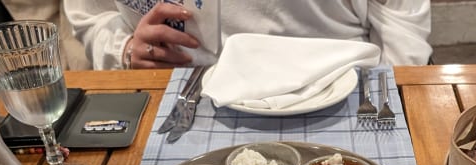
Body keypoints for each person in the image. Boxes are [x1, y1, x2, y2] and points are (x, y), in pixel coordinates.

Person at [64, 0, 432, 71]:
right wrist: (123, 49)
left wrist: (387, 97)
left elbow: (404, 27)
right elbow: (91, 15)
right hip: (172, 92)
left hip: (343, 95)